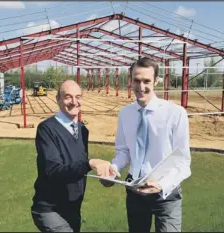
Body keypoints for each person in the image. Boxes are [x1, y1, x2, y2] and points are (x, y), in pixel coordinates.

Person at [100, 57, 192, 232]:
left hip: (165, 194)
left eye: (146, 81)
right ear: (131, 80)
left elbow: (183, 162)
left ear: (156, 81)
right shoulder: (125, 114)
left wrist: (161, 185)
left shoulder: (175, 113)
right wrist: (112, 170)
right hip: (134, 192)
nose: (141, 87)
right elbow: (123, 151)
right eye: (136, 80)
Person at [31, 80, 119, 233]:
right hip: (50, 209)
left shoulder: (82, 129)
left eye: (78, 97)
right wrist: (89, 163)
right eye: (68, 97)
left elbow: (77, 165)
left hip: (73, 208)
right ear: (57, 99)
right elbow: (53, 170)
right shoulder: (47, 129)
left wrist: (104, 177)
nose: (74, 102)